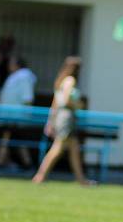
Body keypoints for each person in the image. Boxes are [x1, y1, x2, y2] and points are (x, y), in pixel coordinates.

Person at [32, 57, 91, 185]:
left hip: (60, 116)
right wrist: (78, 105)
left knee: (74, 149)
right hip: (67, 116)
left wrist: (51, 121)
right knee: (57, 148)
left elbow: (55, 103)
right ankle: (40, 176)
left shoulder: (61, 80)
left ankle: (81, 179)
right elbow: (67, 99)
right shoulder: (71, 80)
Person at [0, 55, 36, 169]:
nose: (9, 65)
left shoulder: (24, 76)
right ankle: (27, 164)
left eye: (11, 63)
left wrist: (27, 116)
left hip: (16, 116)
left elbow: (28, 98)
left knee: (8, 139)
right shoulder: (16, 76)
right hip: (11, 116)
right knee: (15, 140)